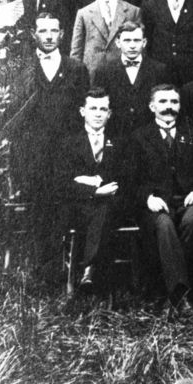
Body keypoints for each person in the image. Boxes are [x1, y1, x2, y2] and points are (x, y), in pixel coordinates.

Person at [132, 84, 193, 306]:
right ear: (152, 106)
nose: (169, 107)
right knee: (164, 224)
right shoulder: (139, 137)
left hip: (188, 200)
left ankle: (174, 286)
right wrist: (148, 198)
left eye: (174, 102)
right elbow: (131, 180)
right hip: (156, 204)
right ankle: (180, 292)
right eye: (163, 102)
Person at [9, 13, 90, 200]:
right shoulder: (22, 69)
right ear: (33, 34)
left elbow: (82, 114)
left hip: (66, 155)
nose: (48, 36)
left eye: (54, 31)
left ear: (62, 34)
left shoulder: (77, 69)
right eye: (43, 31)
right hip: (32, 158)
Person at [56, 88, 128, 289]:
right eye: (93, 108)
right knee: (100, 208)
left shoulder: (120, 142)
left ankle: (89, 269)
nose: (98, 114)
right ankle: (92, 268)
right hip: (78, 207)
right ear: (82, 111)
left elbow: (124, 177)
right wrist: (95, 191)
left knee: (104, 208)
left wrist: (85, 180)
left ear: (109, 114)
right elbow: (61, 183)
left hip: (111, 205)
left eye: (103, 109)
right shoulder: (68, 143)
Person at [92, 20, 170, 138]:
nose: (132, 45)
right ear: (118, 43)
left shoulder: (159, 70)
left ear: (144, 42)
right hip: (116, 136)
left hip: (150, 137)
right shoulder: (104, 71)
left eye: (137, 40)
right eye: (127, 40)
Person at [70, 0, 141, 78]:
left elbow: (139, 48)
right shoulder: (84, 13)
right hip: (92, 75)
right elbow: (76, 51)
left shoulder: (133, 11)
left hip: (122, 74)